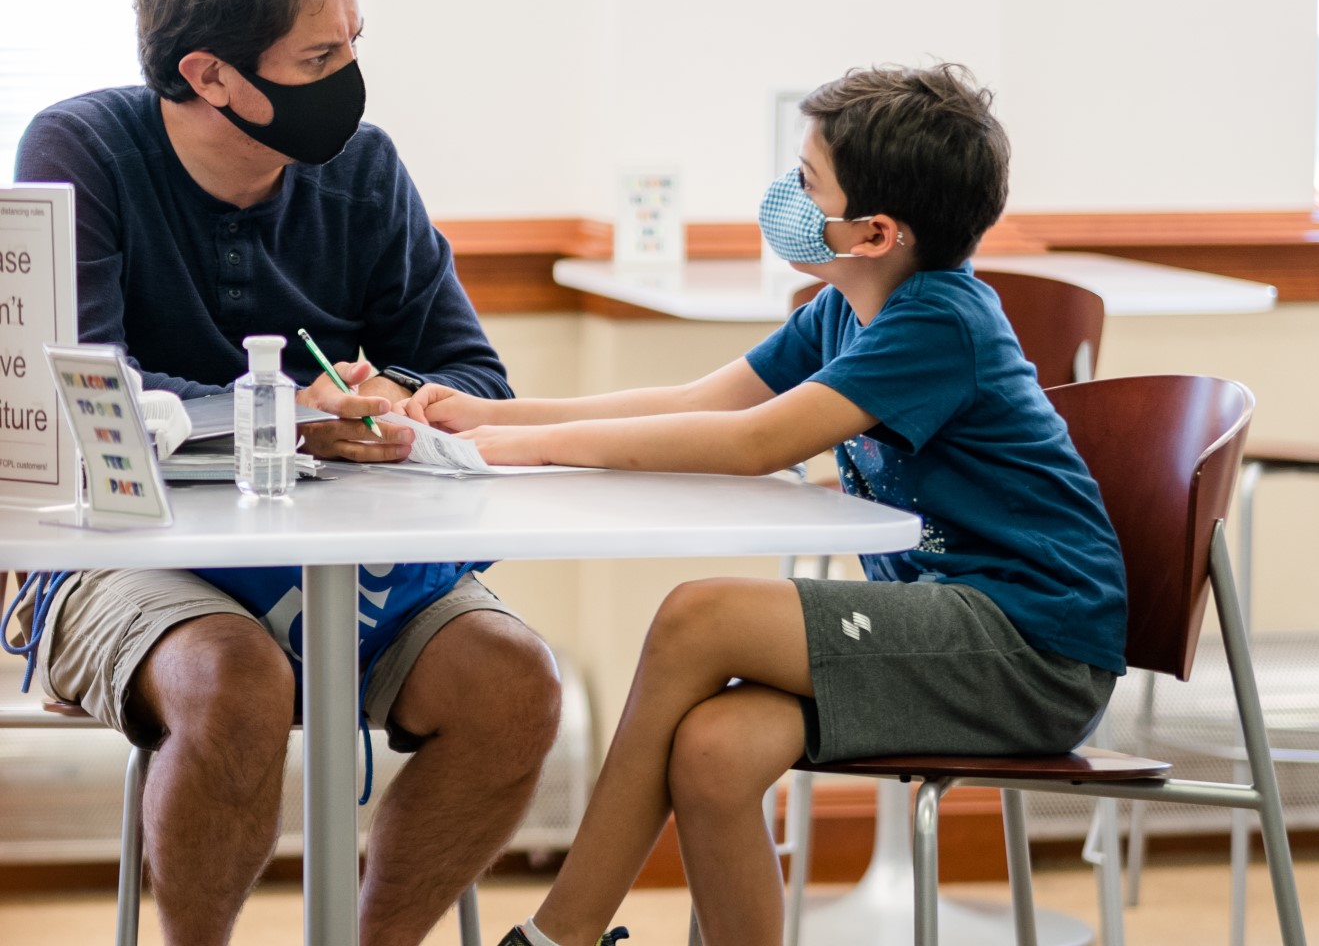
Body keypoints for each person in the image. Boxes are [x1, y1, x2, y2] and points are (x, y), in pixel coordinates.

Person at [403, 64, 1128, 946]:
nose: (783, 196)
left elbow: (755, 444)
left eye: (806, 183)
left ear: (875, 232)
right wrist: (498, 418)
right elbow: (704, 400)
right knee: (714, 754)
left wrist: (522, 448)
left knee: (700, 616)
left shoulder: (940, 322)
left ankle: (561, 934)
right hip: (947, 629)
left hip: (1031, 649)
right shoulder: (843, 309)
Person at [5, 0, 561, 946]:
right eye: (319, 57)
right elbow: (91, 397)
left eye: (355, 45)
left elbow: (468, 371)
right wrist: (285, 423)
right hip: (119, 552)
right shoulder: (81, 148)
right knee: (235, 680)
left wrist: (392, 404)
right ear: (211, 74)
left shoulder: (365, 170)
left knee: (514, 685)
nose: (348, 79)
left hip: (344, 560)